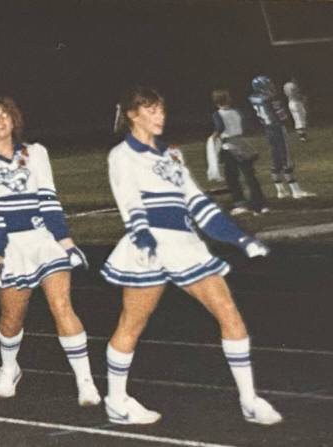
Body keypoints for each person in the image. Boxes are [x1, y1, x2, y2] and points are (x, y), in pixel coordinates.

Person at [100, 86, 282, 425]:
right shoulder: (122, 156)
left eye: (161, 110)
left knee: (228, 312)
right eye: (151, 110)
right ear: (132, 115)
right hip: (149, 246)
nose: (160, 116)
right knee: (132, 324)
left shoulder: (172, 154)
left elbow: (197, 203)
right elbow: (130, 205)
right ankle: (116, 400)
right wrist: (143, 241)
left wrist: (241, 238)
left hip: (185, 245)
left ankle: (249, 400)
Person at [0, 95, 100, 405]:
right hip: (9, 244)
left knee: (62, 305)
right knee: (12, 318)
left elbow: (49, 200)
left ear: (14, 120)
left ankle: (85, 381)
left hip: (43, 239)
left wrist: (66, 242)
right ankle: (10, 367)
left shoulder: (35, 153)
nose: (0, 120)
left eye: (5, 114)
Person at [248, 75, 315, 199]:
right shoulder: (271, 98)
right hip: (277, 128)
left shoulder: (253, 98)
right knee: (286, 157)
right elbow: (282, 116)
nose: (271, 86)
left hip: (267, 129)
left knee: (275, 157)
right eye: (268, 84)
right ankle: (295, 190)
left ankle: (280, 190)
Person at [209, 89, 268, 215]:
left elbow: (220, 128)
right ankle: (259, 203)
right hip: (242, 143)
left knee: (232, 177)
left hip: (229, 145)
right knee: (250, 176)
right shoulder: (237, 112)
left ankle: (239, 203)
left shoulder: (217, 114)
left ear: (216, 103)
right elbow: (244, 125)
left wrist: (213, 137)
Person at [283, 77, 308, 142]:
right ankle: (302, 136)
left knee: (297, 119)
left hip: (290, 103)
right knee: (300, 119)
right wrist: (303, 98)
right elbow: (295, 94)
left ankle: (302, 136)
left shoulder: (285, 85)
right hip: (296, 102)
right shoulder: (292, 85)